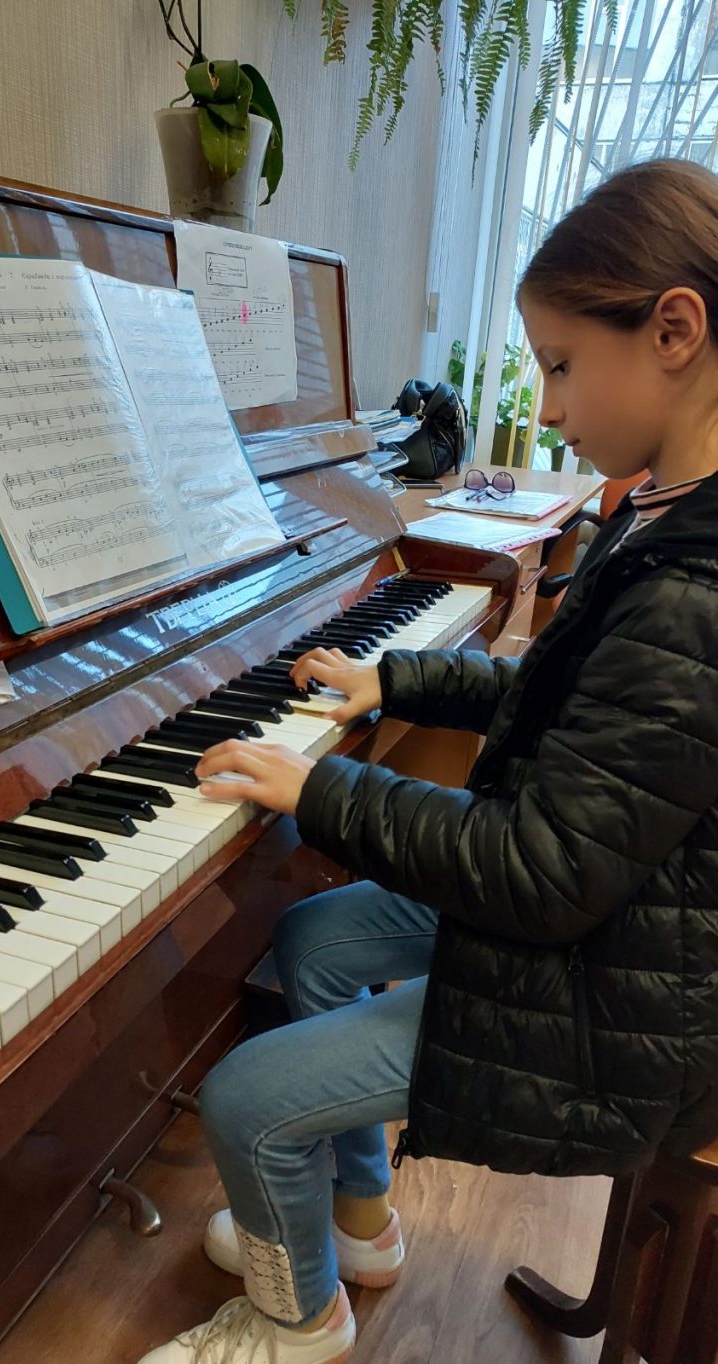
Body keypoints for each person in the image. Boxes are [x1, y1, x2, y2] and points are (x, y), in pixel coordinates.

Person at [138, 157, 718, 1364]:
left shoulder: (697, 591)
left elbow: (543, 869)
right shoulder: (660, 510)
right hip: (604, 914)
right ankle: (359, 1220)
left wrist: (326, 787)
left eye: (560, 364)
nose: (544, 406)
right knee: (313, 938)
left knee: (244, 1096)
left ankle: (296, 1322)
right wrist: (397, 678)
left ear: (675, 331)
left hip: (617, 993)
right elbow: (562, 706)